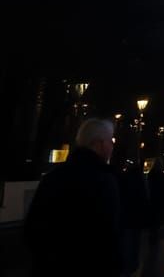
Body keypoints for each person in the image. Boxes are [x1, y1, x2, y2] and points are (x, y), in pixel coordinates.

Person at [24, 117, 122, 276]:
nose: (112, 146)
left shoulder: (52, 178)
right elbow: (108, 237)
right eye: (110, 141)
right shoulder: (104, 181)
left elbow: (32, 229)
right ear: (99, 144)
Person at [146, 158, 164, 246]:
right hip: (160, 202)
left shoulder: (151, 175)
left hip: (153, 202)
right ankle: (155, 238)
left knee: (153, 222)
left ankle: (152, 238)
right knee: (157, 221)